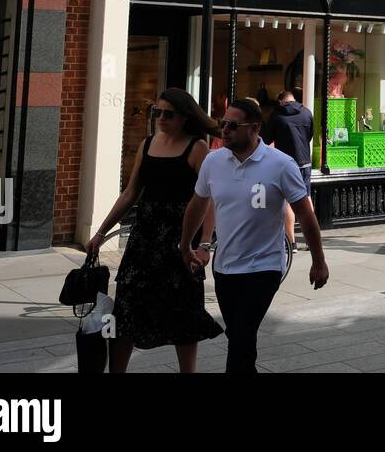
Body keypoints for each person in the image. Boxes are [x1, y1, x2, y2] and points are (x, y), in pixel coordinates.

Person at [180, 97, 329, 373]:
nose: (225, 130)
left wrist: (318, 260)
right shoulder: (213, 162)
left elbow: (306, 214)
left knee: (241, 335)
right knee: (238, 336)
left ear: (254, 128)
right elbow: (198, 204)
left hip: (264, 266)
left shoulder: (281, 164)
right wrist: (187, 244)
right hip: (225, 268)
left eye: (233, 125)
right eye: (223, 124)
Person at [87, 88, 223, 373]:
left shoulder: (198, 148)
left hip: (180, 242)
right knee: (125, 310)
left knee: (183, 312)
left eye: (168, 114)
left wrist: (205, 244)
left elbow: (208, 200)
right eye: (156, 112)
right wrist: (100, 232)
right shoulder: (147, 144)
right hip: (144, 240)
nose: (160, 118)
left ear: (185, 118)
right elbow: (130, 193)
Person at [265, 89, 315, 247]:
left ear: (281, 101)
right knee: (306, 198)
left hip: (285, 163)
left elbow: (266, 139)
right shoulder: (307, 113)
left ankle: (291, 242)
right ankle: (310, 241)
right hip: (305, 162)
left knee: (287, 201)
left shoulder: (276, 116)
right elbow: (310, 135)